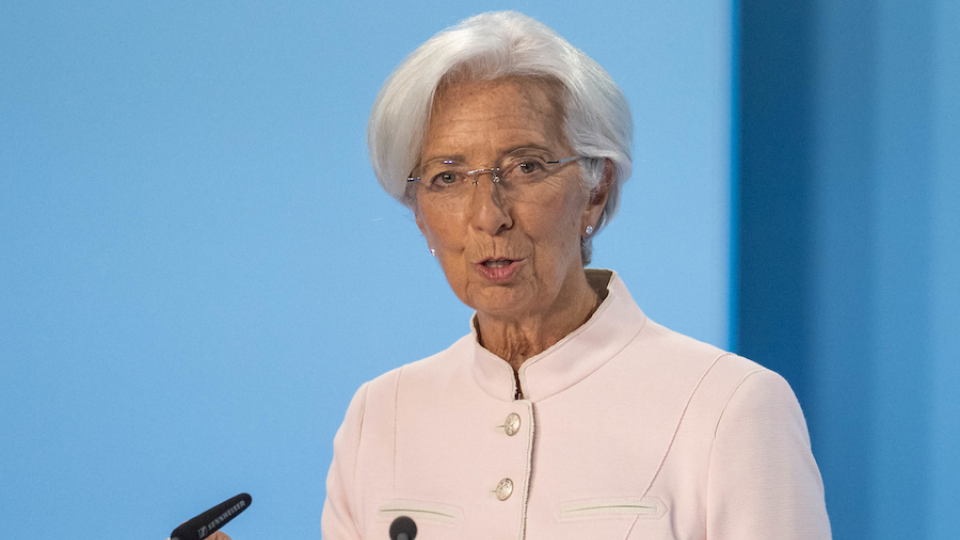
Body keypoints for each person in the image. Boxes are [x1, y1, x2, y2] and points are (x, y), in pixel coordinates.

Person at [321, 11, 832, 540]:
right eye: (447, 178)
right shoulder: (381, 416)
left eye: (525, 167)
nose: (488, 215)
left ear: (596, 189)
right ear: (421, 214)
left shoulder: (730, 405)